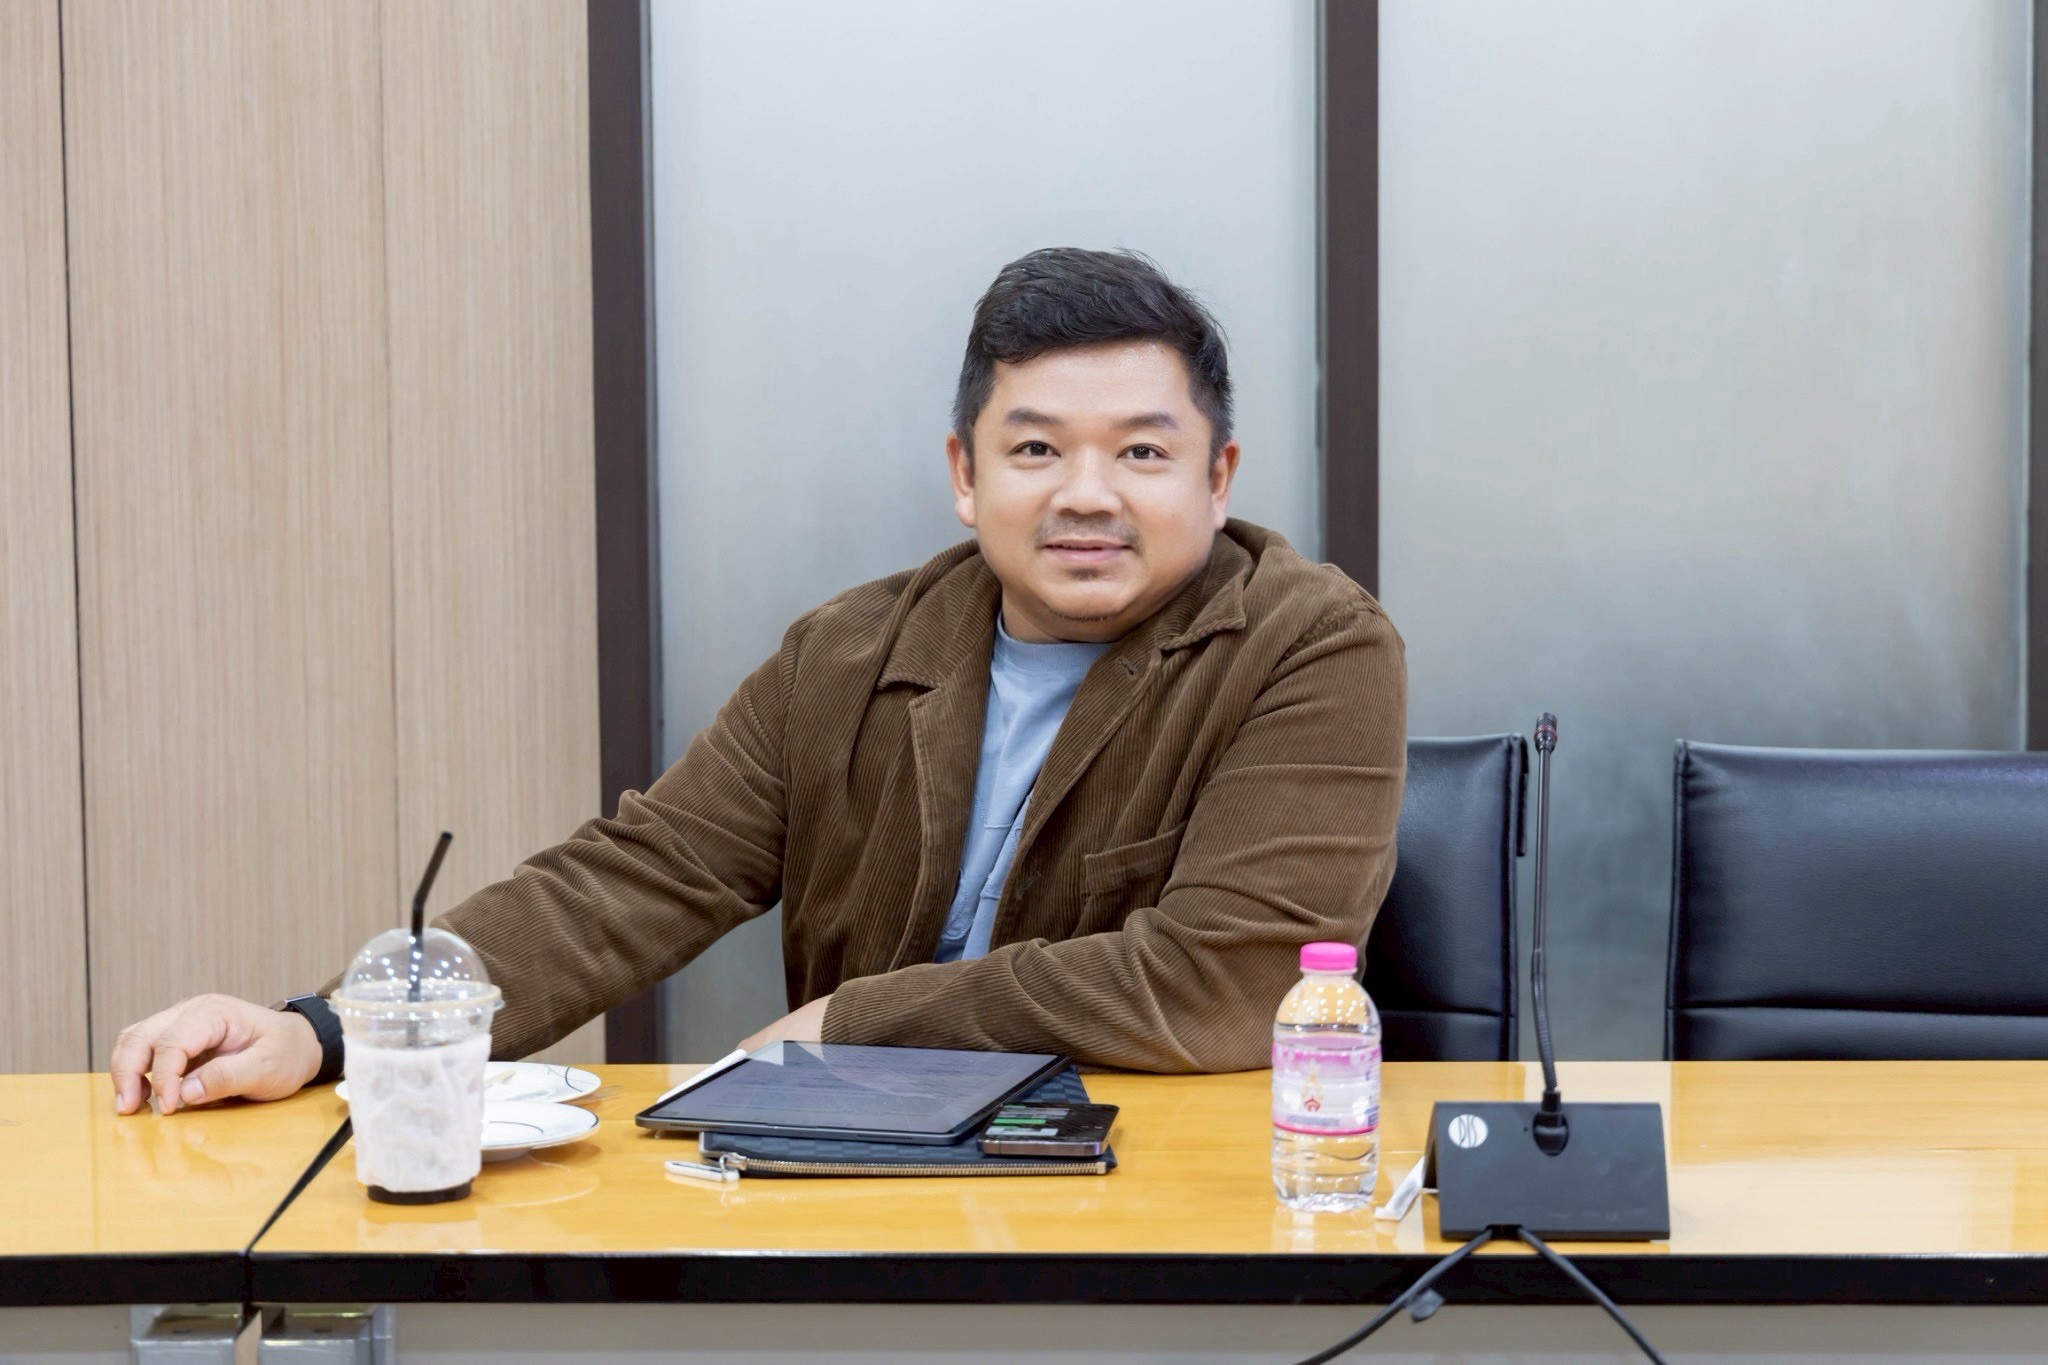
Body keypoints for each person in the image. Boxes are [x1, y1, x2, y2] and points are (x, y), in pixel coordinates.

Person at [110, 247, 1407, 1116]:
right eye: (1035, 450)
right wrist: (332, 1028)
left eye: (1141, 452)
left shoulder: (1312, 646)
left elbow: (1229, 979)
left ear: (1218, 479)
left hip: (1151, 1188)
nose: (1085, 493)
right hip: (858, 1177)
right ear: (966, 476)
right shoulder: (846, 652)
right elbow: (635, 879)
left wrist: (856, 1020)